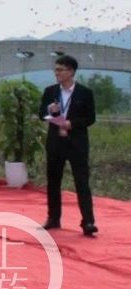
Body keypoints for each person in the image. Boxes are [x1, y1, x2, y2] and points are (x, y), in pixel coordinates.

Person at [39, 54, 97, 236]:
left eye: (60, 69)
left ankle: (88, 222)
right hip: (55, 142)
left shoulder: (85, 93)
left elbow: (90, 118)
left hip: (77, 143)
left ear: (71, 71)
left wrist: (71, 123)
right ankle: (53, 217)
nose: (56, 73)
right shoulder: (50, 91)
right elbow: (41, 113)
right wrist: (51, 111)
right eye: (55, 69)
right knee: (53, 181)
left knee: (82, 182)